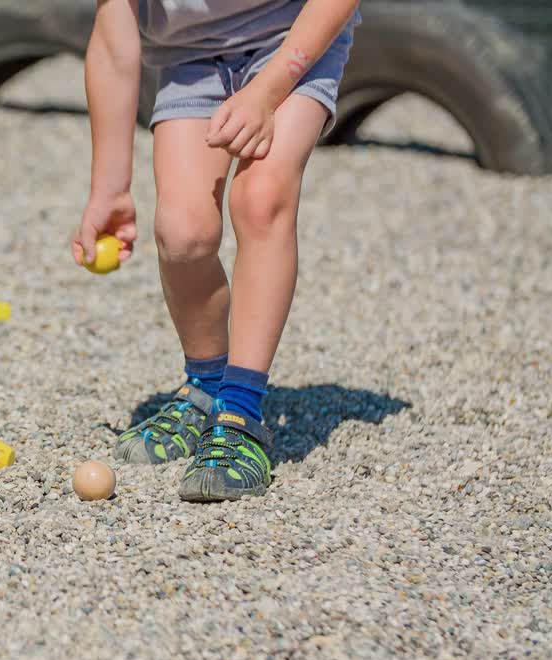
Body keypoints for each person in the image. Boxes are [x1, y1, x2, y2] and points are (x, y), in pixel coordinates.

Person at [73, 0, 360, 501]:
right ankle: (205, 385)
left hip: (292, 40)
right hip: (192, 55)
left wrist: (269, 90)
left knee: (260, 199)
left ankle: (241, 411)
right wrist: (110, 187)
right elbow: (114, 43)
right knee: (184, 236)